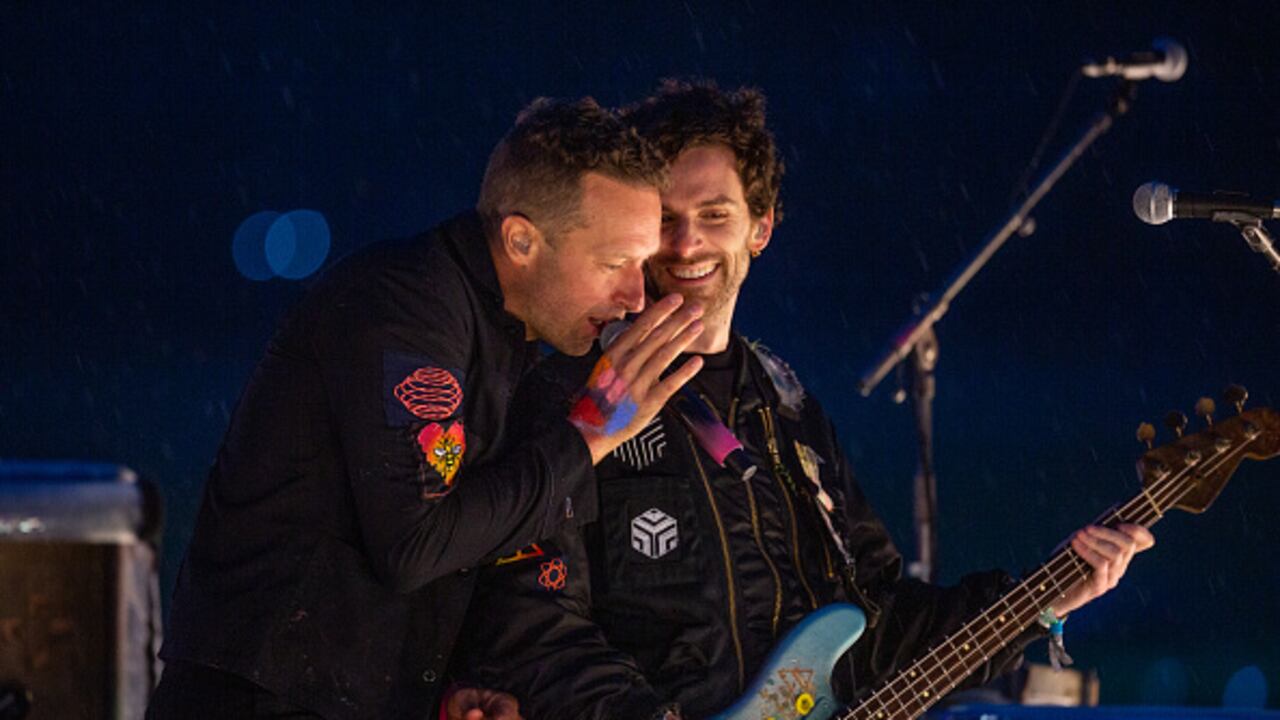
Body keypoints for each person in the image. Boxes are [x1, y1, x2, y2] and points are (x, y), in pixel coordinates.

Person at [453, 80, 1154, 719]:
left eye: (715, 214)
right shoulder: (569, 396)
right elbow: (533, 625)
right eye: (665, 218)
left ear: (760, 229)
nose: (687, 242)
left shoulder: (789, 412)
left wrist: (1044, 599)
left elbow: (878, 626)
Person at [148, 97, 708, 720]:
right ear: (521, 239)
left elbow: (462, 542)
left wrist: (447, 687)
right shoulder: (405, 305)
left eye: (640, 265)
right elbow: (413, 544)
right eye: (614, 264)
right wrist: (589, 438)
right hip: (256, 698)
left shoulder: (515, 340)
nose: (635, 296)